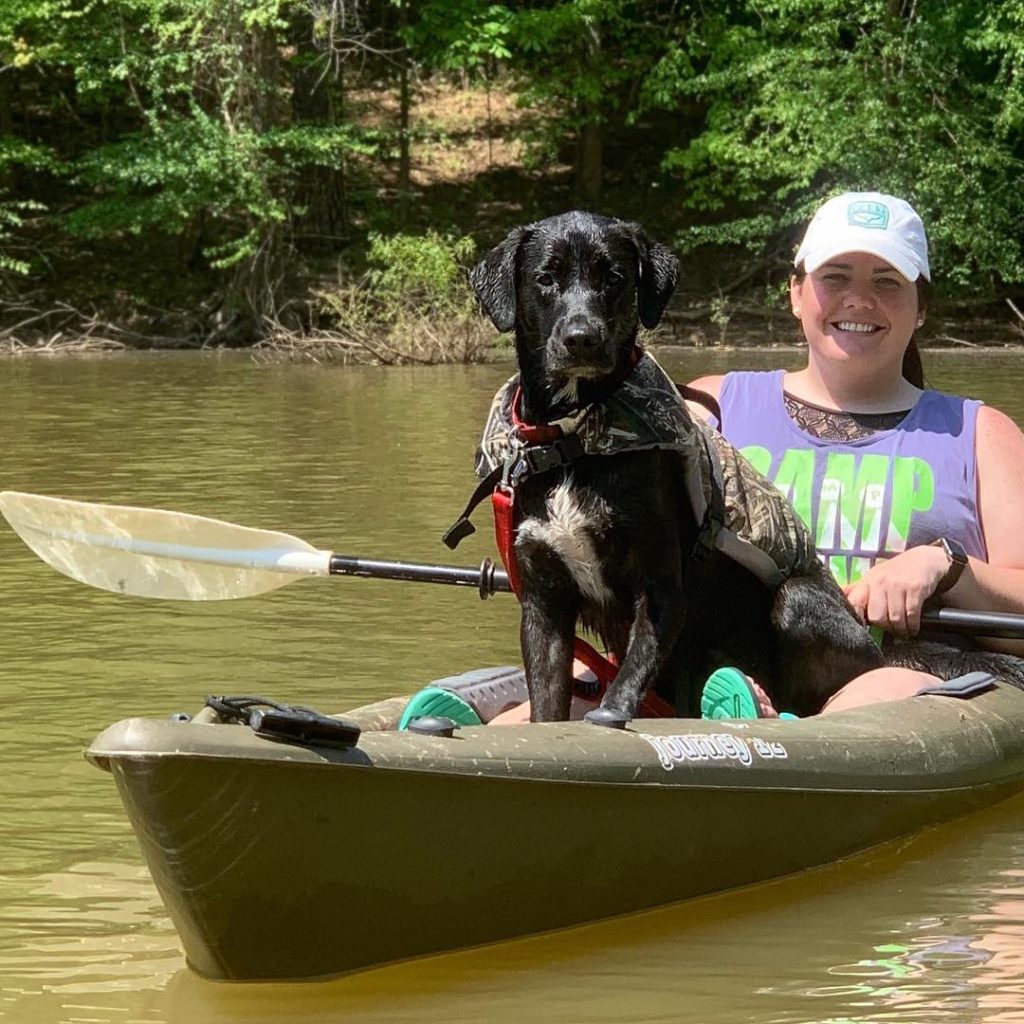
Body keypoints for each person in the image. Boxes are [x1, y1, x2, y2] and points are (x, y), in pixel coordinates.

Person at [688, 190, 1024, 717]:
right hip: (732, 672)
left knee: (882, 687)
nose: (859, 299)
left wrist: (947, 567)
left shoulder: (982, 434)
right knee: (580, 678)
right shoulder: (709, 409)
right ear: (796, 293)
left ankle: (788, 738)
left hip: (911, 687)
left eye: (886, 282)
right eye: (836, 276)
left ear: (922, 309)